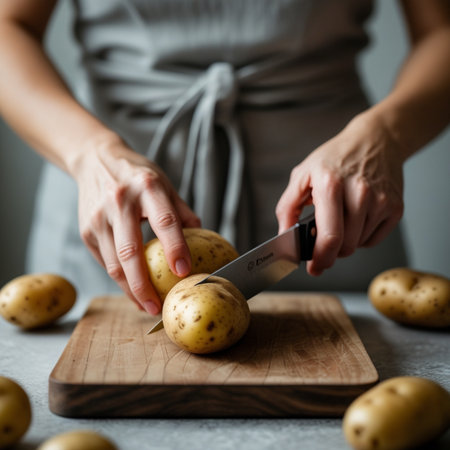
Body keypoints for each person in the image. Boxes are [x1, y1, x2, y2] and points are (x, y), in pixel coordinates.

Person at [0, 1, 449, 315]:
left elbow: (441, 32)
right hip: (112, 198)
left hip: (334, 204)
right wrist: (88, 153)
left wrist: (385, 134)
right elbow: (8, 24)